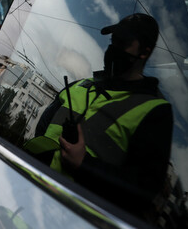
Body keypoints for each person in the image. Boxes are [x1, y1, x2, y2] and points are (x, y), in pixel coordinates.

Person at [24, 13, 173, 220]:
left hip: (73, 215)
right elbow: (39, 130)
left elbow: (144, 191)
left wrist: (84, 164)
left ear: (144, 52)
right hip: (25, 188)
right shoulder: (79, 86)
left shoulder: (155, 110)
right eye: (113, 41)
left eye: (124, 42)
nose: (113, 48)